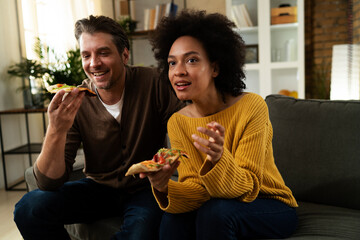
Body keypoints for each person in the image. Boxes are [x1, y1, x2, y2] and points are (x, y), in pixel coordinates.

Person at [13, 15, 184, 240]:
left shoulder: (154, 82)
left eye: (103, 53)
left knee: (139, 232)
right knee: (29, 208)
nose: (94, 63)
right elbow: (48, 182)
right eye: (86, 55)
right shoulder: (76, 101)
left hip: (144, 189)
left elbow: (185, 124)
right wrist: (56, 129)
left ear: (124, 54)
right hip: (98, 189)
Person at [141, 10, 299, 240]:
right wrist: (163, 187)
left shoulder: (251, 106)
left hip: (269, 203)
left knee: (215, 213)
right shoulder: (177, 122)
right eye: (172, 63)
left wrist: (218, 160)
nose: (179, 71)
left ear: (215, 67)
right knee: (174, 219)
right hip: (216, 203)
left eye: (191, 60)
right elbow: (196, 189)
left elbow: (248, 187)